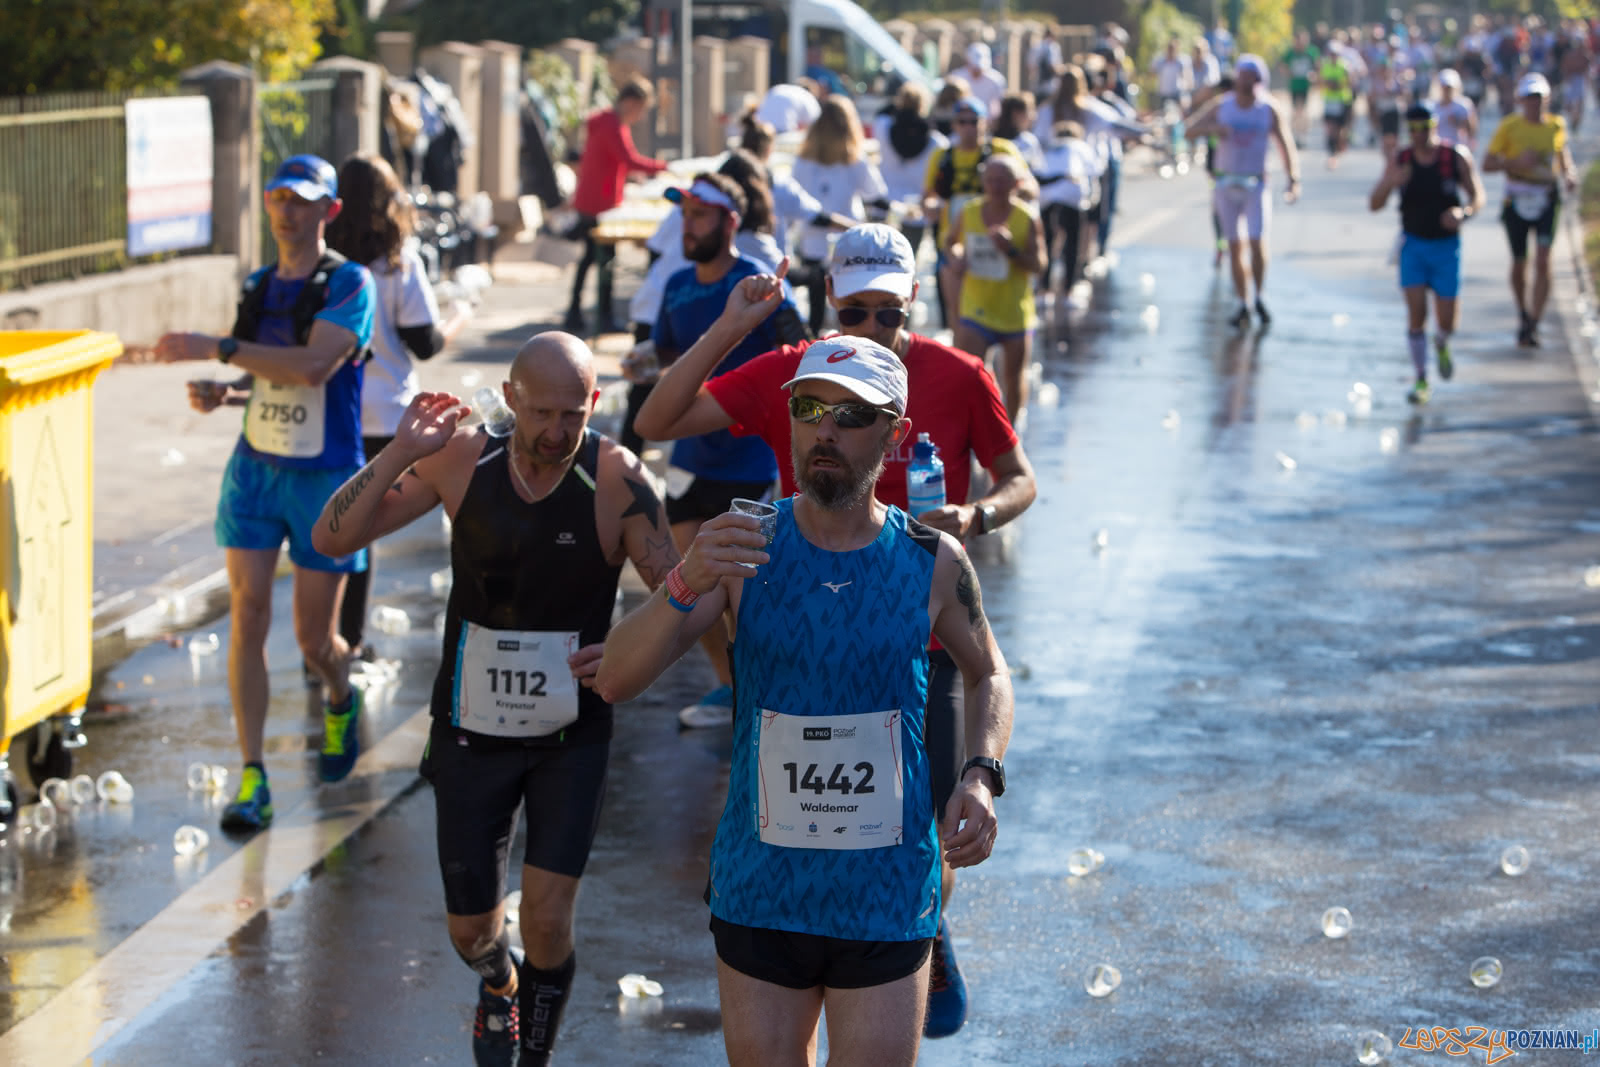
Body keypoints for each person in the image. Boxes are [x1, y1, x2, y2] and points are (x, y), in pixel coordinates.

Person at [631, 224, 1036, 1039]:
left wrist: (976, 515)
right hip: (799, 619)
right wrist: (735, 322)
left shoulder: (958, 374)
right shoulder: (790, 371)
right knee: (804, 820)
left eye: (889, 313)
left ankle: (923, 926)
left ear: (913, 305)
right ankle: (874, 926)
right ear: (830, 304)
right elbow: (658, 418)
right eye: (856, 311)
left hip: (921, 626)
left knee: (926, 831)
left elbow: (1020, 480)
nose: (872, 329)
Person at [311, 334, 679, 1067]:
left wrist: (632, 645)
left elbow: (680, 600)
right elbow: (332, 536)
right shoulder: (460, 460)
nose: (555, 432)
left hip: (573, 732)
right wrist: (397, 451)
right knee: (471, 931)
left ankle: (534, 1054)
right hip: (471, 728)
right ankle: (498, 981)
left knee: (547, 919)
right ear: (510, 399)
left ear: (593, 406)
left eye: (572, 415)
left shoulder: (617, 480)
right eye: (540, 412)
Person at [155, 155, 376, 831]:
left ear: (328, 210)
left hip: (324, 476)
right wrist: (229, 393)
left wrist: (219, 349)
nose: (286, 210)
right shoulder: (256, 284)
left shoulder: (350, 283)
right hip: (255, 468)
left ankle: (341, 690)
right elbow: (272, 375)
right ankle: (253, 774)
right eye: (278, 197)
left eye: (302, 200)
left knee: (315, 639)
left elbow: (313, 367)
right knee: (247, 616)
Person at [653, 174, 808, 727]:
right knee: (686, 578)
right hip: (690, 458)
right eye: (684, 213)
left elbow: (800, 352)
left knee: (741, 589)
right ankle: (729, 686)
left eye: (700, 213)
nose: (687, 223)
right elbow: (665, 355)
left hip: (747, 458)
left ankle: (763, 692)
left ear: (730, 222)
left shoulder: (755, 283)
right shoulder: (674, 284)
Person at [325, 153, 472, 664]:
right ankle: (352, 638)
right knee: (362, 529)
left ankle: (323, 638)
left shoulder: (329, 269)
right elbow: (425, 342)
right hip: (388, 417)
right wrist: (458, 318)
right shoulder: (396, 264)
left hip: (334, 415)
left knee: (333, 521)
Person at [1368, 101, 1485, 405]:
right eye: (1413, 129)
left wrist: (1464, 212)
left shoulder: (1454, 157)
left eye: (1424, 127)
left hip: (1446, 247)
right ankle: (1421, 378)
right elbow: (1375, 203)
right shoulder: (1401, 160)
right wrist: (1392, 182)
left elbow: (1478, 196)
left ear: (1435, 126)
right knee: (1416, 313)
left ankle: (1442, 342)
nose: (1419, 134)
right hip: (1413, 245)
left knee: (1446, 320)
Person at [1186, 55, 1302, 329]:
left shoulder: (1267, 110)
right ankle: (1242, 301)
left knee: (1257, 243)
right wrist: (1214, 128)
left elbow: (1286, 143)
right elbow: (1190, 129)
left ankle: (1259, 295)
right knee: (1234, 246)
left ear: (1259, 82)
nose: (1247, 83)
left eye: (1253, 78)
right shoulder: (1222, 106)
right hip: (1226, 184)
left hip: (1255, 184)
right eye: (1243, 77)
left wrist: (1293, 178)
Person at [566, 75, 669, 337]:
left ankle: (579, 312)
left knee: (591, 258)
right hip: (598, 204)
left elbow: (620, 162)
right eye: (641, 108)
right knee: (600, 259)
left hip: (594, 200)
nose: (641, 115)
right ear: (630, 102)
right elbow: (628, 159)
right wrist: (663, 167)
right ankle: (598, 316)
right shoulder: (611, 125)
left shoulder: (609, 122)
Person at [945, 155, 1045, 422]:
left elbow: (1039, 264)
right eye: (990, 179)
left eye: (1002, 180)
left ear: (1016, 183)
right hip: (976, 307)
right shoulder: (968, 211)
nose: (995, 186)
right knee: (973, 376)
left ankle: (1011, 434)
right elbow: (950, 242)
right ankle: (980, 430)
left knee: (1013, 378)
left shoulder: (1027, 217)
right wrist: (956, 257)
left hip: (1014, 311)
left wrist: (1011, 249)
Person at [1483, 73, 1579, 347]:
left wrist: (1569, 174)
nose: (1534, 104)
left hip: (1547, 198)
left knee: (1543, 260)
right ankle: (1523, 313)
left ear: (1547, 100)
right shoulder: (1509, 126)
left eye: (1539, 98)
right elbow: (1487, 164)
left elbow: (1562, 154)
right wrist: (1516, 162)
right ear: (1520, 100)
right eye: (1529, 98)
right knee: (1519, 262)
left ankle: (1534, 322)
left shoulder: (1556, 125)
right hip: (1516, 198)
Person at [791, 95, 889, 334]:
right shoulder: (856, 162)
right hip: (849, 240)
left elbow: (795, 201)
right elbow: (880, 200)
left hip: (813, 239)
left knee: (815, 307)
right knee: (848, 306)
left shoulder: (803, 162)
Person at [924, 98, 1026, 329]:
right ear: (954, 125)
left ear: (985, 122)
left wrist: (1006, 192)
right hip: (953, 242)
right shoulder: (942, 155)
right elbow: (927, 196)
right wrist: (930, 206)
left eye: (974, 121)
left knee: (997, 311)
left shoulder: (1002, 151)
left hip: (994, 242)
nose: (969, 127)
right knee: (957, 315)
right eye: (962, 121)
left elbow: (1029, 187)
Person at [873, 82, 950, 259]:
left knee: (879, 262)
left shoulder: (883, 127)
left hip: (885, 205)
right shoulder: (936, 141)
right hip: (915, 210)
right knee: (907, 262)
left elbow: (881, 114)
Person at [1282, 29, 1321, 147]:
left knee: (1304, 111)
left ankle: (1303, 135)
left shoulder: (1311, 51)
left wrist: (1314, 75)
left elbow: (1318, 65)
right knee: (1295, 110)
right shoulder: (1291, 52)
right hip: (1295, 84)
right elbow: (1282, 64)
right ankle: (1295, 135)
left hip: (1306, 85)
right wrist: (1289, 73)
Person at [959, 41, 1008, 118]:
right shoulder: (957, 77)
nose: (977, 71)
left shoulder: (997, 80)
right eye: (974, 67)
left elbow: (998, 105)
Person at [1435, 68, 1479, 150]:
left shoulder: (1463, 105)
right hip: (1438, 150)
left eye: (1449, 88)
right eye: (1444, 87)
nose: (1446, 90)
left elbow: (1472, 129)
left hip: (1457, 148)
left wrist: (1458, 123)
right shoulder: (1432, 106)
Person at [1152, 39, 1194, 111]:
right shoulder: (1160, 60)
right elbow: (1152, 73)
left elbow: (1188, 78)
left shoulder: (1182, 61)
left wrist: (1186, 93)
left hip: (1178, 94)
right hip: (1163, 94)